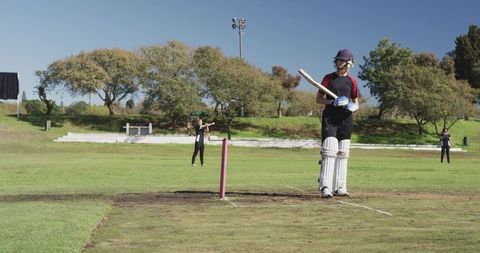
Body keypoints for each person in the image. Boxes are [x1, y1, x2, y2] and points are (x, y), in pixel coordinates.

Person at [315, 49, 359, 198]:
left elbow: (356, 101)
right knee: (329, 150)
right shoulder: (328, 78)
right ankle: (325, 187)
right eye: (338, 60)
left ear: (349, 63)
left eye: (342, 60)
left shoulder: (352, 81)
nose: (338, 62)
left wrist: (354, 106)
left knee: (343, 153)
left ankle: (340, 186)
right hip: (330, 117)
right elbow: (319, 99)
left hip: (346, 119)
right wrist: (332, 102)